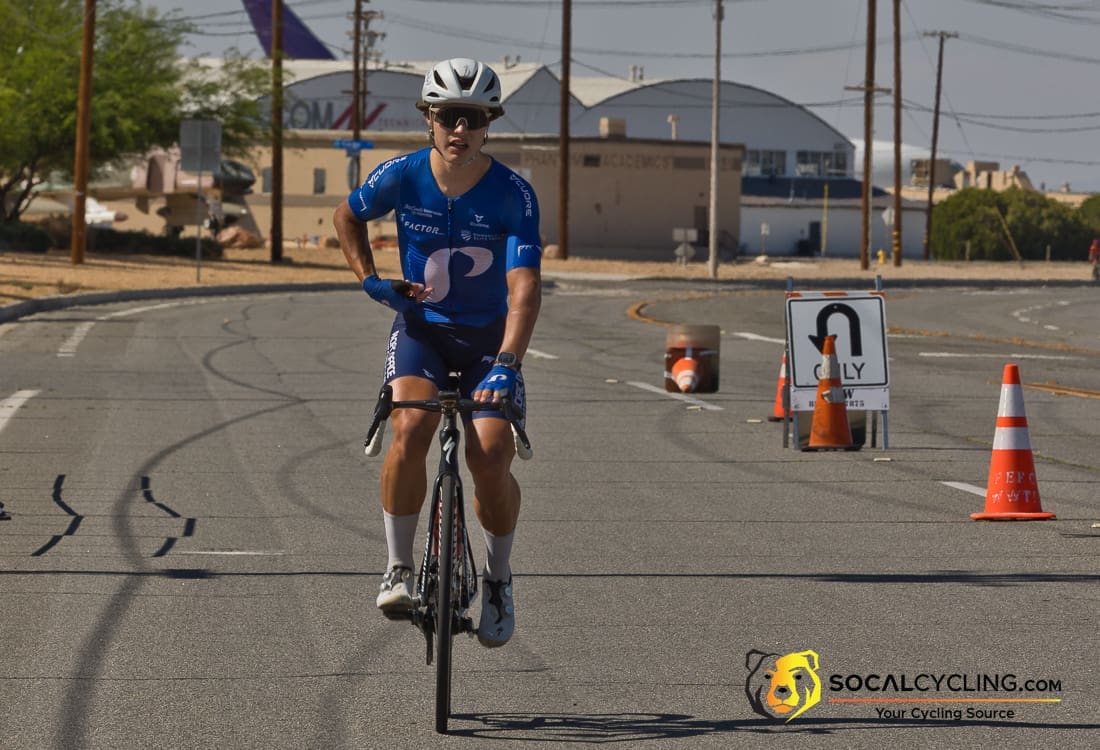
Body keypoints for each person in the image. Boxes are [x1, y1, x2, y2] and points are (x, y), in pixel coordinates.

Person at [332, 58, 542, 648]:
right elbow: (347, 215)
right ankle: (398, 566)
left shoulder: (513, 195)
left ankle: (498, 580)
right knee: (409, 429)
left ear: (488, 125)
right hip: (421, 331)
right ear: (428, 118)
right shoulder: (400, 176)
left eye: (474, 119)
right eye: (449, 116)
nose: (460, 130)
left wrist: (508, 362)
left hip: (486, 343)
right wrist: (370, 280)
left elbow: (525, 289)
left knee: (491, 455)